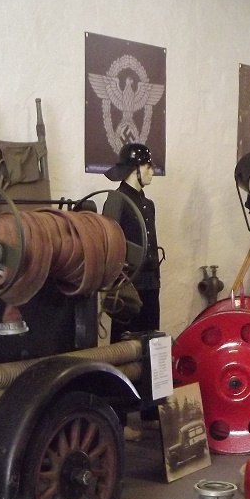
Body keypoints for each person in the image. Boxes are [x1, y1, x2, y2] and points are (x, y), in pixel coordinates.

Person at [103, 143, 163, 438]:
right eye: (149, 167)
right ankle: (120, 418)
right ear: (136, 169)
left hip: (150, 282)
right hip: (127, 284)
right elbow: (110, 243)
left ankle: (150, 411)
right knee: (122, 350)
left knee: (152, 345)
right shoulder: (116, 201)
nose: (152, 172)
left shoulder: (147, 204)